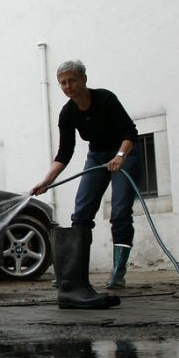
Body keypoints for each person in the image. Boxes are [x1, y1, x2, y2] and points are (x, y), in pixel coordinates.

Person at [31, 60, 141, 290]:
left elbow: (130, 131)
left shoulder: (105, 99)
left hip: (125, 153)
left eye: (72, 80)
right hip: (97, 157)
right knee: (80, 215)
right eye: (63, 83)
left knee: (120, 212)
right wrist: (46, 181)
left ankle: (118, 271)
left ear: (83, 79)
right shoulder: (68, 113)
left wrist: (120, 155)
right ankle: (71, 273)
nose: (68, 86)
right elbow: (64, 153)